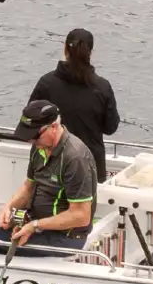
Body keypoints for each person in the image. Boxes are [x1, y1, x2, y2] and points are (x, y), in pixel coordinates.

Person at [0, 99, 97, 254]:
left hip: (65, 236)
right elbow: (28, 187)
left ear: (54, 127)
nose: (31, 140)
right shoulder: (40, 146)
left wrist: (35, 226)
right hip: (36, 221)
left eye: (35, 136)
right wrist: (8, 207)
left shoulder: (75, 158)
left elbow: (81, 216)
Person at [30, 28, 119, 180]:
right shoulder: (103, 87)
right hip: (90, 167)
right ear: (90, 52)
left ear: (65, 48)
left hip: (51, 165)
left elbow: (30, 122)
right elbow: (110, 127)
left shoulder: (46, 83)